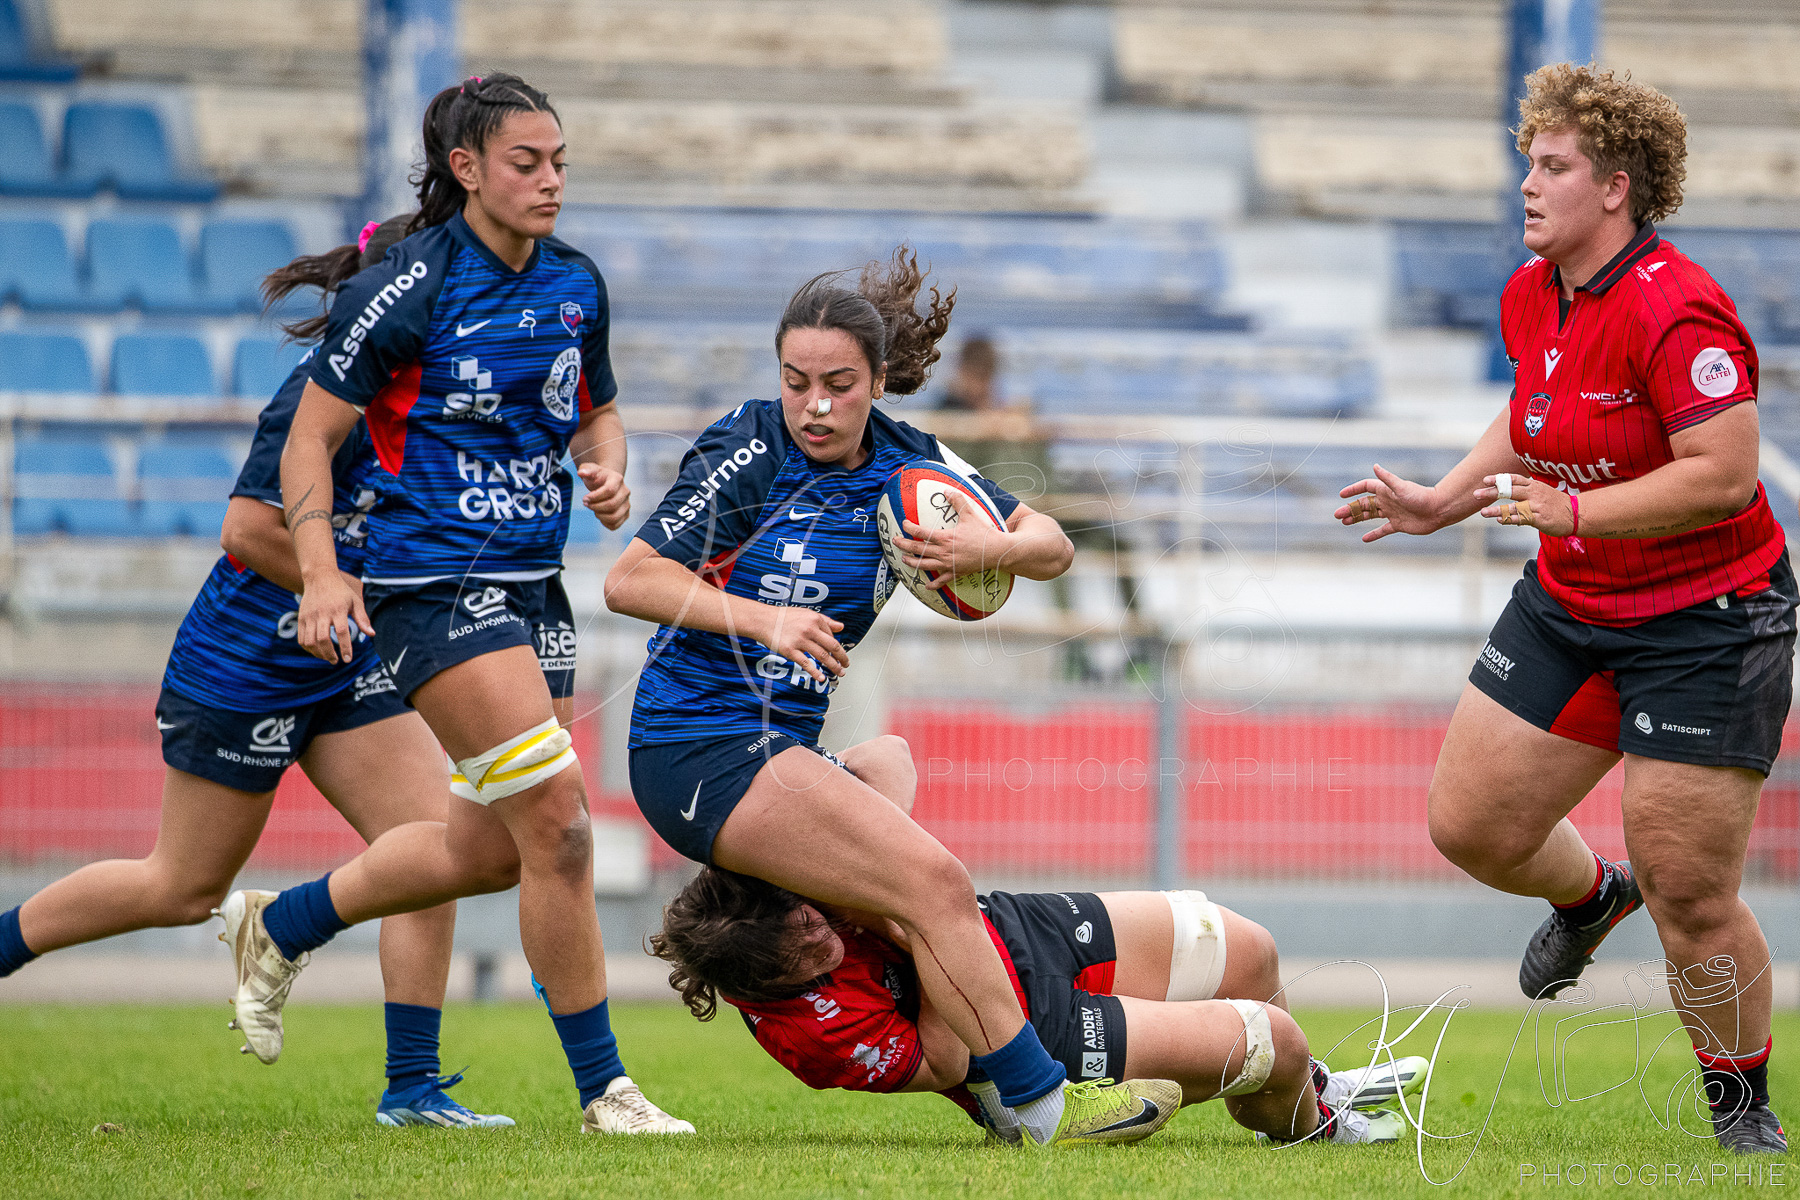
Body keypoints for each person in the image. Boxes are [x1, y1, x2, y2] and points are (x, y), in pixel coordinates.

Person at [603, 248, 1182, 1148]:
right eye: (796, 382)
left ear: (878, 381)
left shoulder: (913, 462)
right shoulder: (748, 446)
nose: (815, 406)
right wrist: (766, 622)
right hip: (696, 746)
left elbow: (1053, 544)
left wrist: (991, 553)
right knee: (935, 883)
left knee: (889, 770)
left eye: (838, 383)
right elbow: (631, 580)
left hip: (773, 750)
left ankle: (968, 1061)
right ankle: (1041, 1102)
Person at [214, 73, 691, 1135]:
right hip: (433, 589)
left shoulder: (577, 284)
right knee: (562, 829)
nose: (552, 180)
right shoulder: (411, 287)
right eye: (528, 163)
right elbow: (307, 441)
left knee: (489, 849)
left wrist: (610, 470)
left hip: (536, 587)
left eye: (561, 160)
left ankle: (279, 924)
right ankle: (606, 1091)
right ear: (467, 170)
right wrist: (327, 569)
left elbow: (598, 413)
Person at [1335, 64, 1790, 1155]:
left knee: (1691, 891)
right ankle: (1591, 900)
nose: (1527, 186)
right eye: (1527, 163)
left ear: (1617, 188)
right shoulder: (1532, 289)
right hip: (1573, 601)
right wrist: (1446, 499)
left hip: (1707, 620)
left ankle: (1743, 1112)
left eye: (1553, 167)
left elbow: (1724, 473)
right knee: (1472, 826)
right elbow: (1534, 409)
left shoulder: (1678, 306)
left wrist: (1574, 514)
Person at [0, 216, 515, 1127]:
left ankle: (413, 1090)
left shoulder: (442, 401)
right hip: (246, 661)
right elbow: (245, 529)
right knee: (182, 888)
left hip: (346, 656)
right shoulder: (323, 396)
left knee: (430, 852)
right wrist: (341, 586)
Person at [650, 864, 1425, 1146]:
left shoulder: (782, 879)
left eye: (814, 921)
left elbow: (890, 762)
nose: (826, 938)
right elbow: (949, 1056)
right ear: (764, 985)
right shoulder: (810, 1038)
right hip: (1015, 1038)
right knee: (1273, 1044)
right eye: (810, 956)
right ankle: (1310, 1116)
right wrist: (916, 924)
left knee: (1248, 948)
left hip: (1017, 930)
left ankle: (1314, 1086)